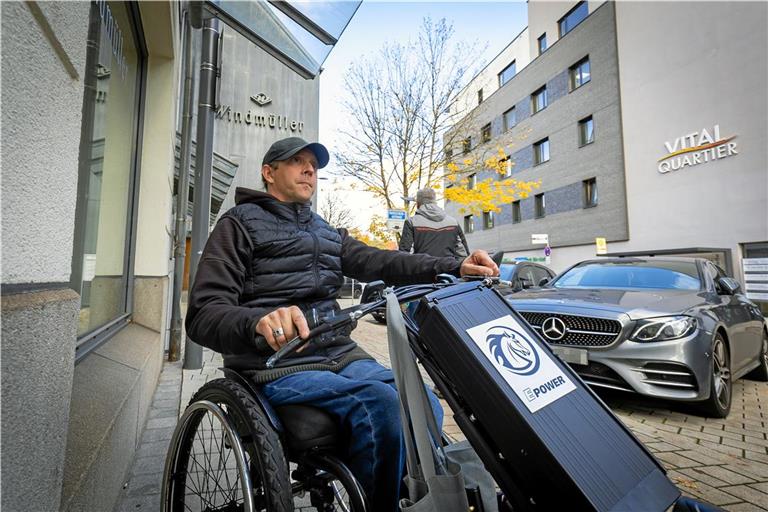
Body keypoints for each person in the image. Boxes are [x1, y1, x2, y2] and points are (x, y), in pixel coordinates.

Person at [185, 136, 498, 512]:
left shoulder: (325, 230)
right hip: (278, 362)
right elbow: (204, 312)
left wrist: (453, 266)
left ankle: (420, 499)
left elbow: (384, 262)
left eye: (314, 166)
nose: (309, 170)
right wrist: (258, 321)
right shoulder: (238, 226)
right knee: (382, 404)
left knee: (424, 400)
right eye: (297, 162)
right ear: (269, 173)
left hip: (340, 352)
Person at [398, 187, 470, 259]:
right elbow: (463, 253)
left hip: (422, 268)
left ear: (418, 204)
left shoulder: (411, 222)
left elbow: (404, 254)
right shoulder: (453, 222)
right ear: (434, 201)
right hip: (448, 267)